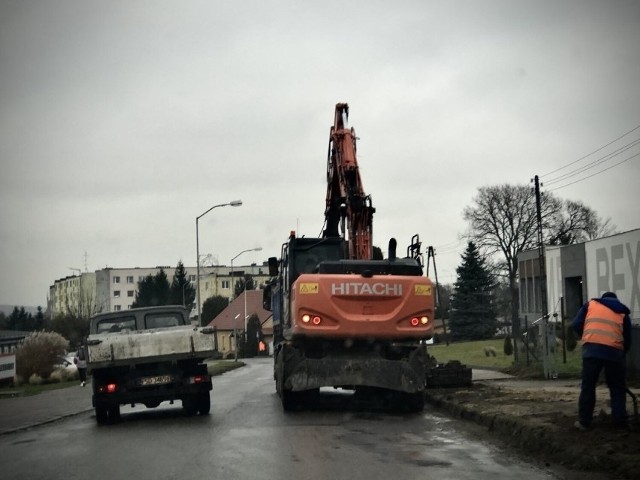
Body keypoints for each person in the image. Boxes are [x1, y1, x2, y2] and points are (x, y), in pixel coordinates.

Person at [572, 291, 632, 430]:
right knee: (617, 387)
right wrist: (622, 355)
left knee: (588, 386)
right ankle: (620, 421)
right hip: (614, 353)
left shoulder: (590, 305)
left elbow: (576, 324)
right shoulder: (622, 312)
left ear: (602, 298)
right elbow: (627, 339)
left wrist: (587, 336)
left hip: (592, 351)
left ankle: (584, 422)